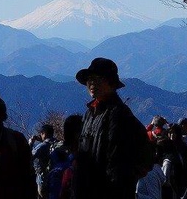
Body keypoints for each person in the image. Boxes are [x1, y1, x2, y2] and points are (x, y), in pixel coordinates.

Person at [73, 57, 149, 199]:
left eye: (98, 78)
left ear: (111, 83)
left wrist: (122, 182)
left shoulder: (120, 115)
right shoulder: (90, 113)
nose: (92, 83)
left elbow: (144, 156)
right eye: (90, 79)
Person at [31, 123, 58, 197]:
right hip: (56, 179)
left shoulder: (42, 145)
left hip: (43, 180)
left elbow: (28, 156)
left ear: (44, 134)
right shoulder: (57, 143)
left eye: (41, 133)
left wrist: (31, 143)